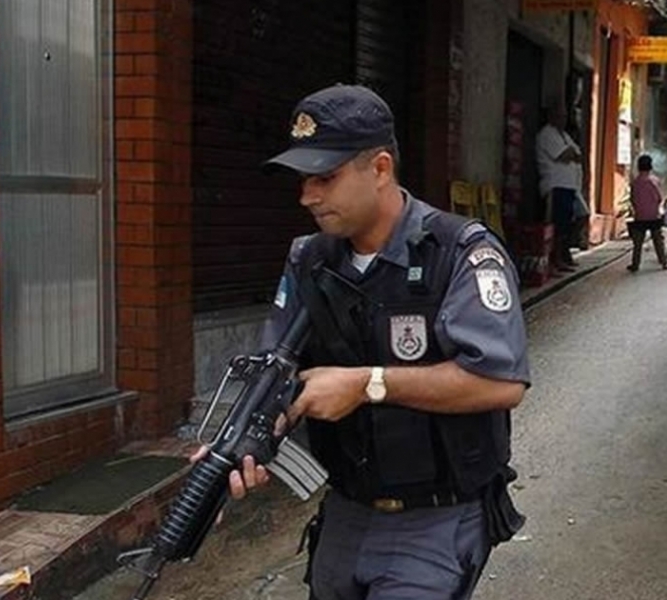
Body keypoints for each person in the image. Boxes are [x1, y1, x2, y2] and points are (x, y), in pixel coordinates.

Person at [221, 84, 530, 600]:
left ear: (381, 168)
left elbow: (500, 381)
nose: (307, 196)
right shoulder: (309, 259)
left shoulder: (458, 251)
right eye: (303, 181)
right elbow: (282, 372)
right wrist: (244, 440)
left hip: (435, 520)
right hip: (346, 511)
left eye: (325, 178)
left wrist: (370, 384)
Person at [537, 103, 586, 272]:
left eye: (565, 116)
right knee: (557, 224)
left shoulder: (564, 135)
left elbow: (578, 155)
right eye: (560, 115)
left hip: (570, 186)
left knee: (580, 216)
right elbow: (564, 155)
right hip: (556, 185)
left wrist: (572, 154)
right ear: (551, 115)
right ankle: (555, 259)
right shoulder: (547, 134)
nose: (563, 119)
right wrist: (572, 153)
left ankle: (564, 252)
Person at [626, 154, 667, 272]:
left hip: (640, 216)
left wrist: (637, 209)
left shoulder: (635, 182)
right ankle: (664, 263)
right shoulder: (654, 181)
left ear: (638, 167)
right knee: (658, 241)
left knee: (638, 243)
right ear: (650, 167)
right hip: (653, 216)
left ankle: (635, 264)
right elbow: (659, 197)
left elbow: (632, 199)